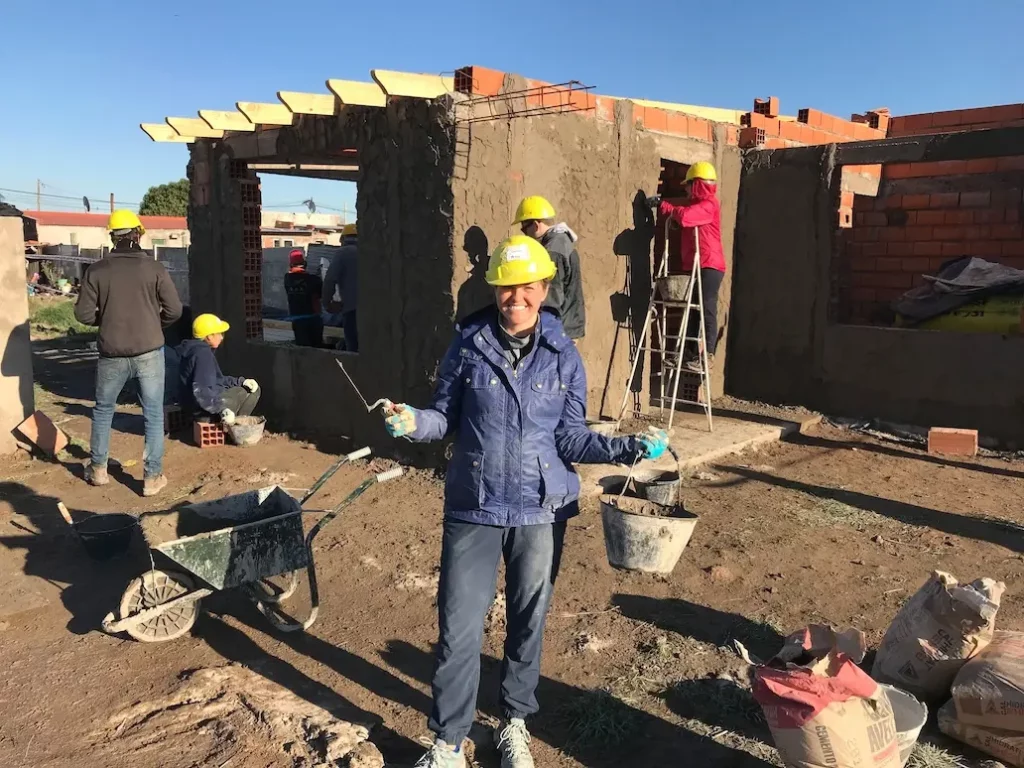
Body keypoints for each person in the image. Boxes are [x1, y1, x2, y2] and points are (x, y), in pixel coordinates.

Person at [383, 235, 669, 768]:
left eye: (528, 287)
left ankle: (514, 722)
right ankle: (447, 742)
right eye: (507, 286)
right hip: (475, 504)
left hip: (541, 509)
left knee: (528, 619)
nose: (517, 296)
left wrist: (626, 447)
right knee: (459, 626)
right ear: (495, 289)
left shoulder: (564, 355)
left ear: (544, 289)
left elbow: (571, 437)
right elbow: (442, 416)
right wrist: (413, 422)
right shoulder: (466, 346)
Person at [74, 209, 182, 497]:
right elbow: (175, 310)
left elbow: (83, 315)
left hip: (111, 352)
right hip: (149, 351)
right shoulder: (154, 268)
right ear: (137, 234)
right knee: (153, 413)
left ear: (112, 236)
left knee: (103, 410)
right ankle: (152, 477)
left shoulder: (96, 271)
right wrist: (153, 323)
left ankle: (98, 469)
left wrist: (106, 320)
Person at [647, 161, 726, 372]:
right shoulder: (699, 206)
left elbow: (686, 217)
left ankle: (707, 357)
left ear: (697, 184)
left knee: (706, 309)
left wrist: (664, 206)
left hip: (710, 265)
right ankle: (686, 356)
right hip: (699, 266)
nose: (686, 188)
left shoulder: (709, 205)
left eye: (689, 184)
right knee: (692, 312)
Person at [513, 196, 586, 341]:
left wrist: (542, 327)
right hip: (565, 325)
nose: (525, 234)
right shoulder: (560, 242)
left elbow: (551, 296)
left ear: (535, 225)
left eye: (524, 228)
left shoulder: (553, 251)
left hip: (559, 329)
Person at [177, 314, 260, 426]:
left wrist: (241, 381)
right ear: (209, 336)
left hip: (194, 407)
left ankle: (230, 422)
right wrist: (221, 409)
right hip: (204, 410)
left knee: (243, 386)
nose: (221, 337)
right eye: (219, 333)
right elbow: (201, 390)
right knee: (252, 391)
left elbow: (215, 379)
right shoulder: (203, 355)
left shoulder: (193, 349)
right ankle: (234, 426)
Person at [322, 222, 359, 352]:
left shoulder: (342, 253)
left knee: (354, 350)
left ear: (342, 239)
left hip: (352, 311)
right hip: (376, 311)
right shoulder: (372, 252)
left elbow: (330, 279)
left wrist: (327, 303)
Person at [283, 248, 324, 347]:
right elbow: (321, 294)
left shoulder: (287, 279)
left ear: (290, 264)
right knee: (317, 349)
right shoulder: (315, 280)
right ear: (305, 263)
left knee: (303, 351)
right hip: (313, 319)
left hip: (298, 320)